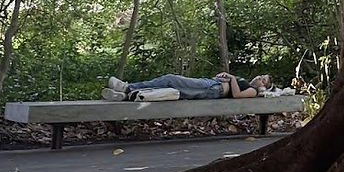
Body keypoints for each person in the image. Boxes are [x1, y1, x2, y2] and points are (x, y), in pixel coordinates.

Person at [102, 71, 272, 103]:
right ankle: (126, 95)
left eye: (263, 80)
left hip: (213, 90)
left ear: (263, 86)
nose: (259, 78)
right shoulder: (248, 83)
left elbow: (236, 95)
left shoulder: (253, 91)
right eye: (261, 76)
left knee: (170, 79)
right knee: (169, 87)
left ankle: (126, 87)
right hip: (212, 83)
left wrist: (232, 78)